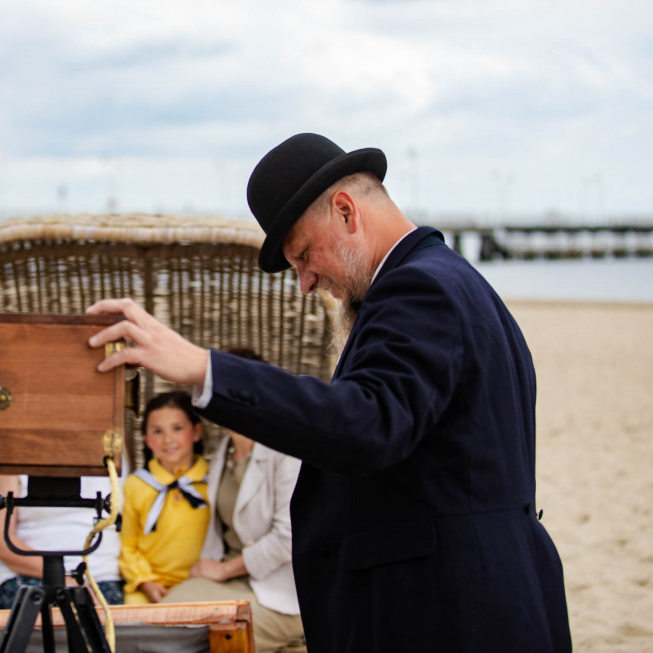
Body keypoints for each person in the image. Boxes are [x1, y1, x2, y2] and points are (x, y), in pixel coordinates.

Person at [85, 133, 572, 651]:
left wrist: (203, 369)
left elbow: (366, 424)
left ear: (345, 211)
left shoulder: (419, 288)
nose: (305, 282)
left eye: (302, 255)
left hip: (451, 610)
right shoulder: (452, 281)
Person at [163, 347, 305, 653]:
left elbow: (288, 537)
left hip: (281, 593)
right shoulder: (226, 449)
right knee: (162, 619)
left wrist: (223, 570)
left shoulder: (286, 449)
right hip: (232, 580)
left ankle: (294, 636)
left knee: (178, 635)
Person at [120, 390, 211, 604]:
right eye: (157, 431)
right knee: (135, 626)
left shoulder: (213, 482)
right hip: (147, 585)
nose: (168, 439)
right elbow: (127, 545)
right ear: (147, 440)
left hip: (201, 583)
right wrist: (144, 580)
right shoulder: (136, 485)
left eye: (177, 428)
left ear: (197, 432)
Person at [0, 474, 124, 608]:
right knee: (65, 621)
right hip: (31, 574)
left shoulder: (113, 453)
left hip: (103, 576)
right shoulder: (10, 457)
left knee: (111, 624)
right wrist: (64, 578)